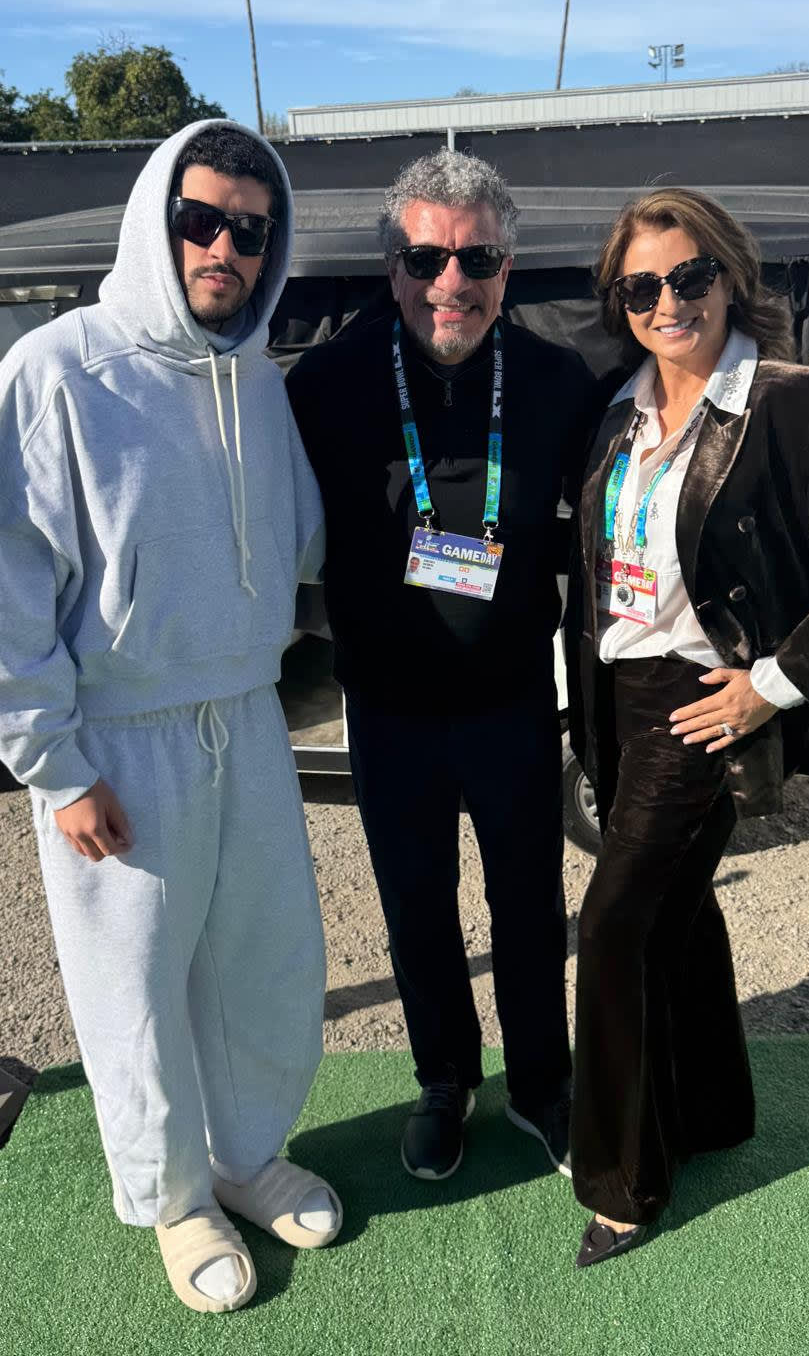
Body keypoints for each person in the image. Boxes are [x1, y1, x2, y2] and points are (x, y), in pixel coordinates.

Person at [0, 121, 341, 1314]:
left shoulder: (257, 384)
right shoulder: (55, 374)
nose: (224, 247)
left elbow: (304, 541)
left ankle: (243, 1155)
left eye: (251, 232)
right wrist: (55, 766)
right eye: (202, 219)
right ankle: (173, 1200)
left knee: (262, 961)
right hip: (120, 733)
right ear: (155, 218)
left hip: (244, 715)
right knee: (136, 984)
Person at [566, 187, 809, 1268]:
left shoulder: (799, 401)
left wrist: (772, 682)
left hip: (705, 696)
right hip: (616, 695)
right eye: (643, 285)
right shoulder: (616, 407)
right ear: (619, 300)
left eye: (689, 277)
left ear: (730, 276)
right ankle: (716, 1107)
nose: (668, 301)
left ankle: (623, 1180)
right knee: (676, 910)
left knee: (617, 920)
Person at [287, 149, 596, 1182]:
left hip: (512, 703)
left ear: (508, 268)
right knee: (416, 904)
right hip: (388, 709)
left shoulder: (558, 382)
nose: (449, 283)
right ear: (391, 264)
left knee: (526, 903)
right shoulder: (324, 384)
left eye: (477, 259)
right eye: (425, 258)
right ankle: (445, 1078)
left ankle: (542, 1085)